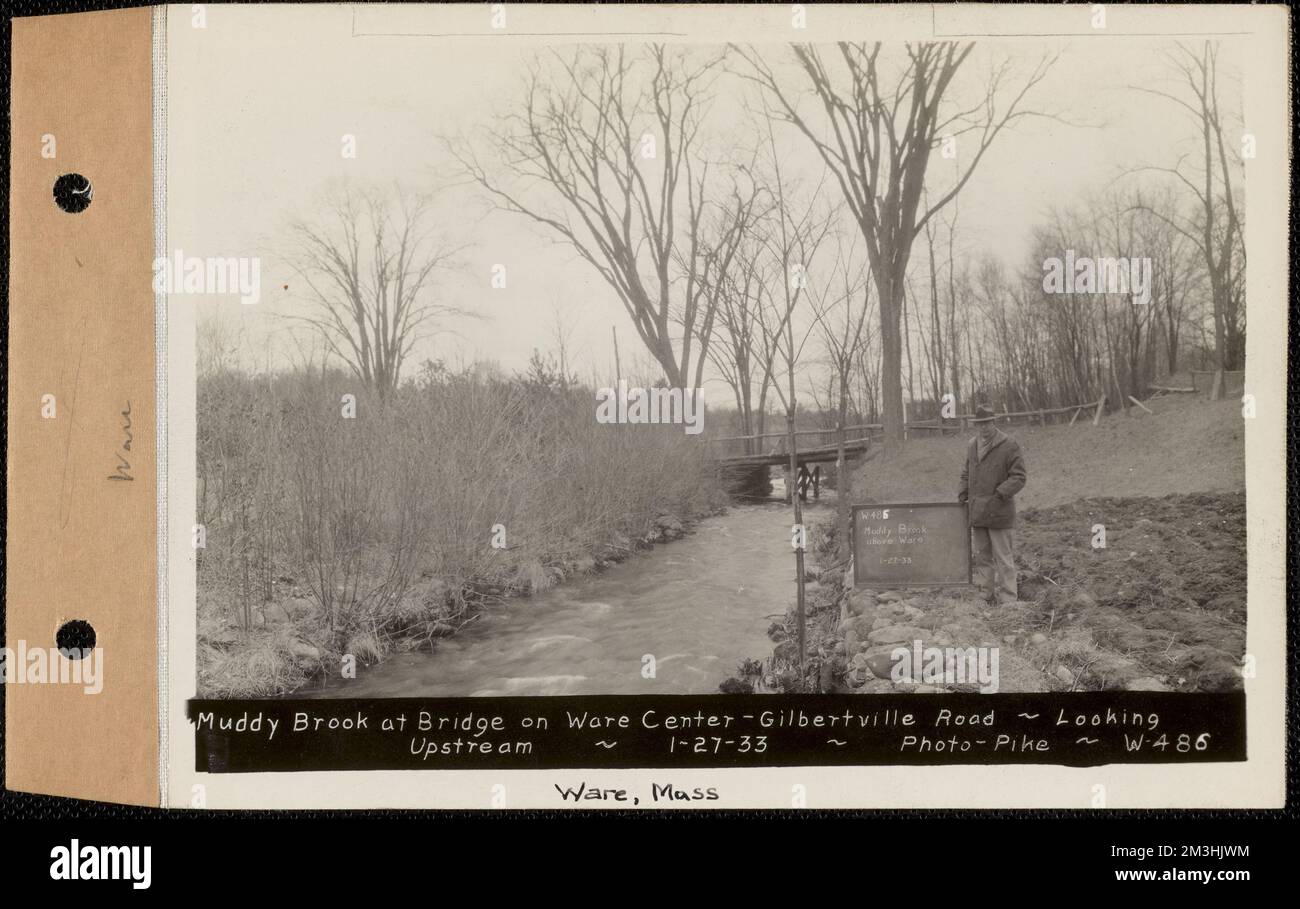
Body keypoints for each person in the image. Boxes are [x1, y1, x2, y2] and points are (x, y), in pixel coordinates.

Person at [957, 404, 1027, 604]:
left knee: (1003, 557)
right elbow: (966, 472)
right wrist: (963, 490)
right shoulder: (972, 444)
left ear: (994, 422)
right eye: (979, 424)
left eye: (987, 423)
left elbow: (1019, 477)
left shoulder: (1009, 444)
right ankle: (985, 595)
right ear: (975, 425)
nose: (983, 428)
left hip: (999, 510)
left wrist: (1000, 493)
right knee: (982, 557)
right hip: (978, 511)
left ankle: (1008, 598)